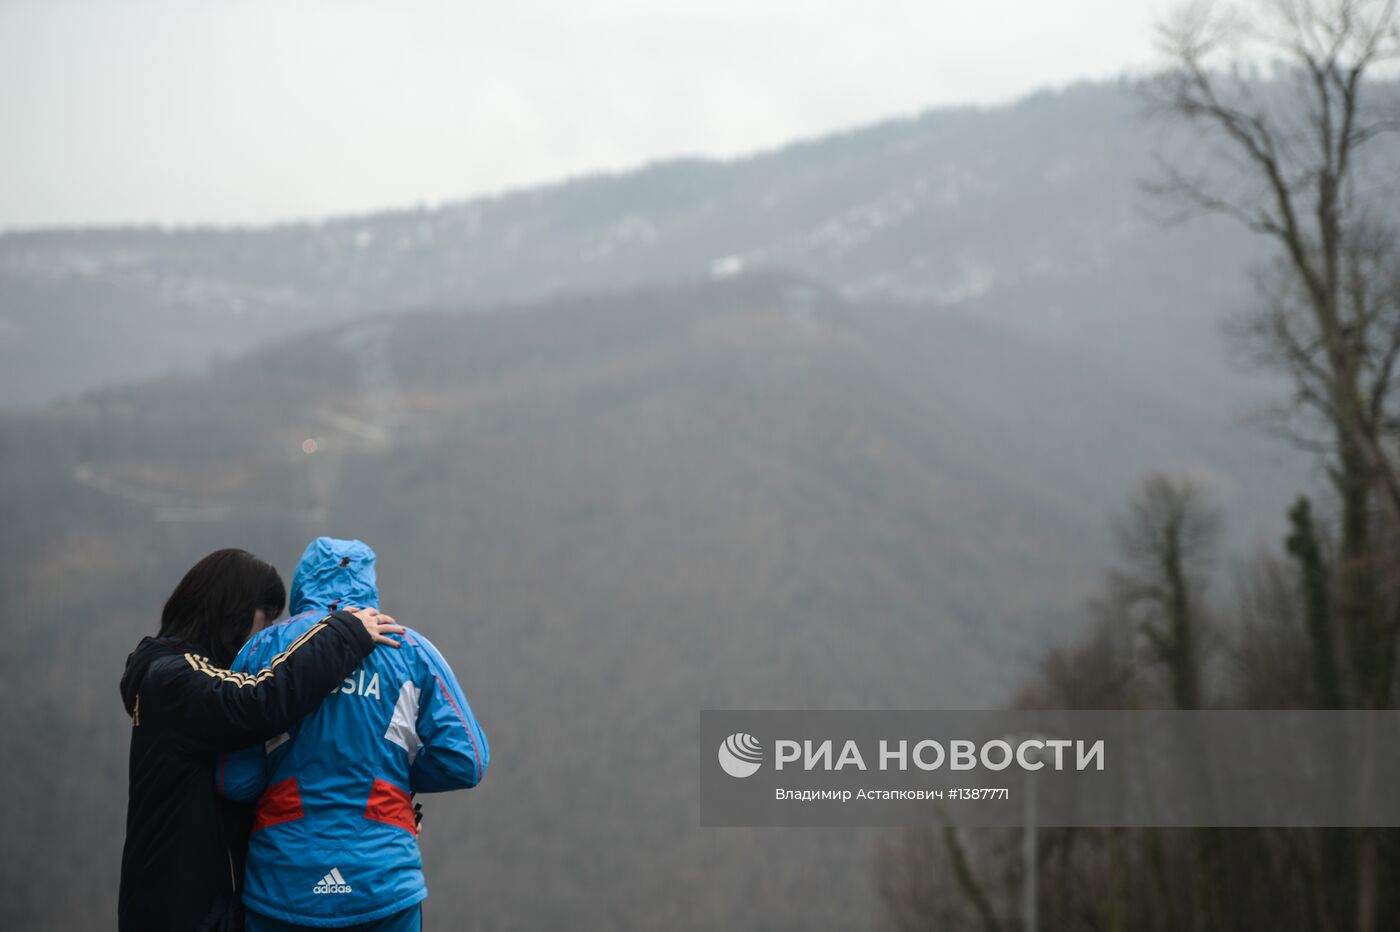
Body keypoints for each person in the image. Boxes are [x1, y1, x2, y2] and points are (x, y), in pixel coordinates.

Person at [119, 547, 405, 932]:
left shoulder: (166, 676)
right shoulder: (174, 677)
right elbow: (257, 700)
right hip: (184, 911)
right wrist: (344, 633)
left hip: (188, 903)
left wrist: (383, 812)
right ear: (231, 610)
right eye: (263, 620)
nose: (265, 635)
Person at [218, 537, 488, 932]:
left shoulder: (263, 648)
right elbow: (468, 760)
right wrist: (392, 775)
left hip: (283, 882)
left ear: (303, 584)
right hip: (383, 881)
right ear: (369, 584)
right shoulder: (410, 648)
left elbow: (236, 781)